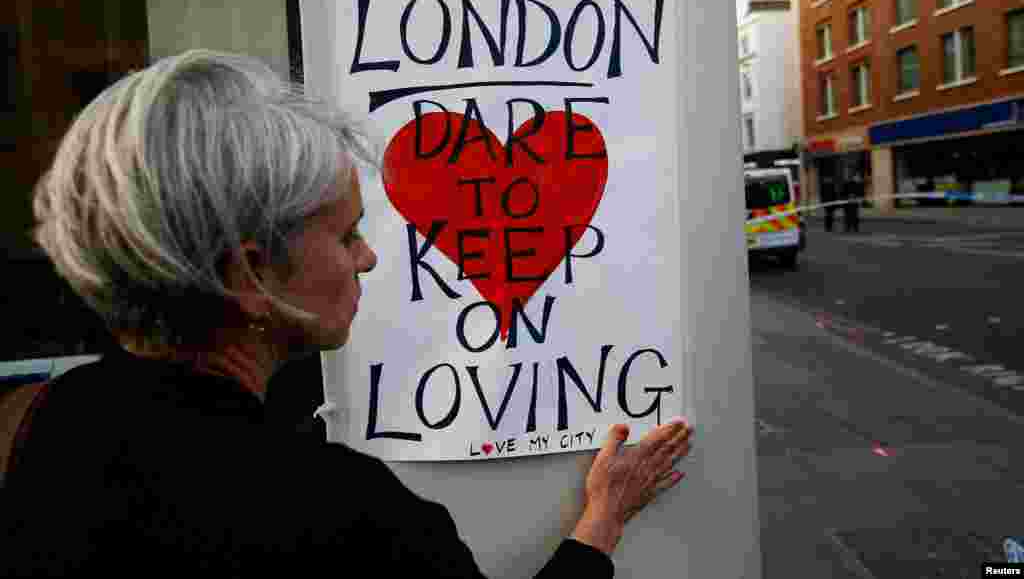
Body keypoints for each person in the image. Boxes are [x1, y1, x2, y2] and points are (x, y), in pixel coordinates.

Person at [2, 50, 694, 576]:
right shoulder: (345, 517)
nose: (365, 259)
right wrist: (603, 518)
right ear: (249, 272)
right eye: (345, 235)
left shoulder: (30, 424)